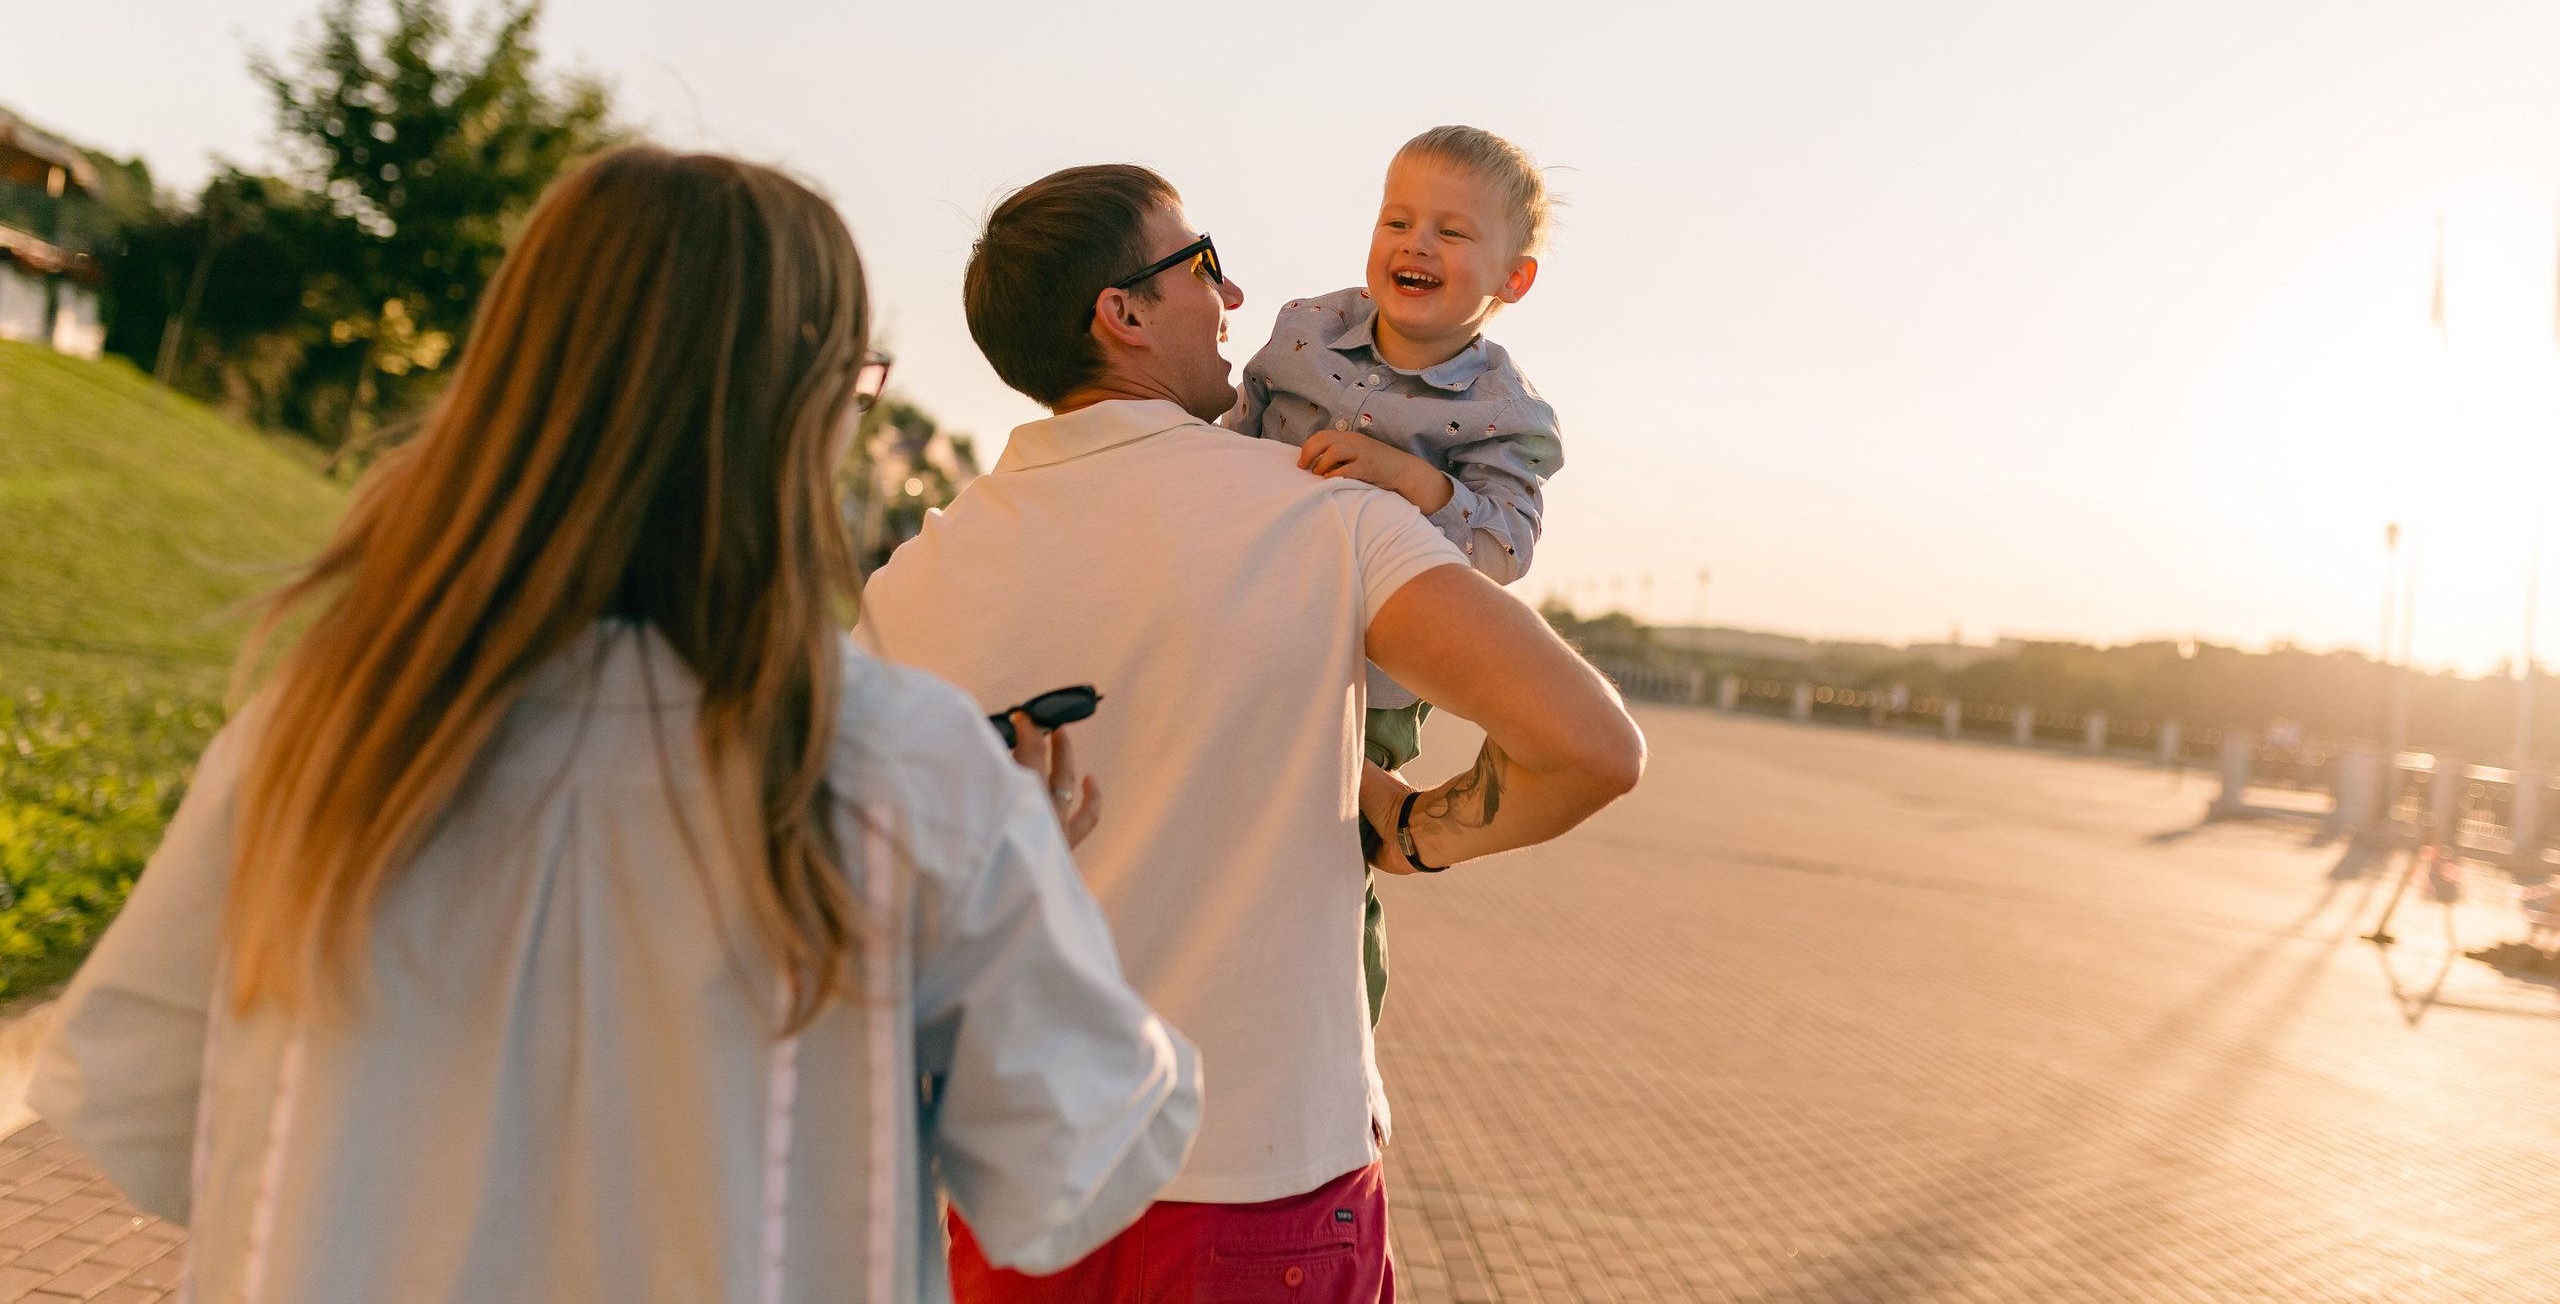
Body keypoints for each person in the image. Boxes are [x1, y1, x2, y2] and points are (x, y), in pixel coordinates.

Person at [32, 147, 1199, 1304]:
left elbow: (135, 1102)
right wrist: (1017, 869)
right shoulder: (903, 768)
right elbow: (1079, 1163)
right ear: (795, 414)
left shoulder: (322, 733)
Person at [857, 163, 1645, 1302]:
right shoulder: (1323, 510)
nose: (1233, 301)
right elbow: (1591, 746)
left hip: (1018, 1188)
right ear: (1120, 314)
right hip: (1260, 1182)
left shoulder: (911, 583)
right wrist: (1416, 832)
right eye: (1203, 266)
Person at [1225, 123, 1562, 1029]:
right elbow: (1230, 439)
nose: (1415, 244)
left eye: (1453, 234)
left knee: (1327, 862)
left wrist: (1418, 484)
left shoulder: (1505, 413)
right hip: (1238, 626)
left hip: (1362, 681)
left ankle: (1336, 1034)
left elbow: (1502, 551)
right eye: (1397, 220)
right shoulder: (1303, 333)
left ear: (1511, 278)